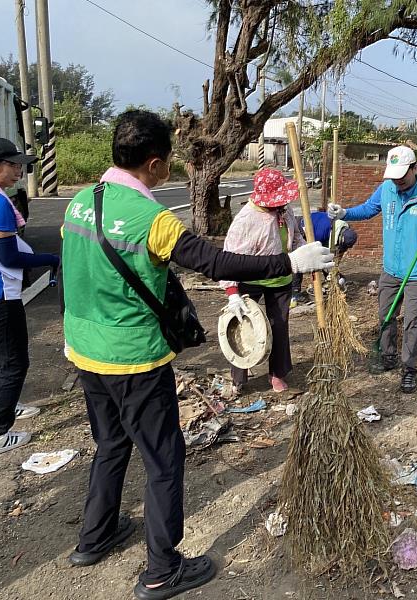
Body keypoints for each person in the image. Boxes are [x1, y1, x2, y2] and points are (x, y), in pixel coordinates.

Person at [61, 110, 333, 600]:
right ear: (156, 164)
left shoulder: (79, 202)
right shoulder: (152, 219)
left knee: (110, 444)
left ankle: (94, 536)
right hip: (133, 360)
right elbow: (213, 261)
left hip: (84, 351)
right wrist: (291, 261)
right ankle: (162, 571)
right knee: (164, 460)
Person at [327, 145, 417, 393]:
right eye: (393, 176)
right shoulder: (387, 189)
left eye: (402, 176)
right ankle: (388, 356)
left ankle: (409, 370)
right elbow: (369, 209)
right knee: (385, 315)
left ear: (415, 168)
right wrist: (345, 212)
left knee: (412, 321)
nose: (397, 182)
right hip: (391, 269)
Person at [0, 138, 59, 456]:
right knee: (14, 362)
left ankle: (2, 406)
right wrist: (49, 258)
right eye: (13, 164)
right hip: (0, 294)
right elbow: (7, 257)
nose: (20, 170)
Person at [221, 168, 305, 394]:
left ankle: (277, 373)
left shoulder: (285, 211)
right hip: (251, 279)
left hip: (281, 279)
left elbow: (296, 238)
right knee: (243, 325)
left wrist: (308, 257)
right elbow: (230, 259)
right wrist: (232, 293)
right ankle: (239, 378)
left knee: (279, 326)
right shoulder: (246, 220)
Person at [291, 210, 358, 305]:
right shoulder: (321, 231)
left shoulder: (346, 230)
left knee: (326, 260)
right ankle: (294, 293)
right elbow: (315, 253)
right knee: (300, 261)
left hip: (318, 230)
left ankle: (331, 281)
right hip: (302, 229)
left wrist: (334, 270)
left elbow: (340, 252)